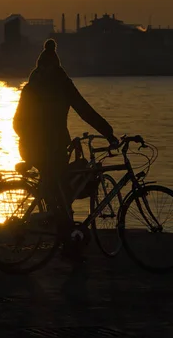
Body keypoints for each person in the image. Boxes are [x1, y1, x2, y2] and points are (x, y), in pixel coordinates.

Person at [13, 39, 117, 258]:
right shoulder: (62, 84)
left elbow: (16, 122)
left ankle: (65, 237)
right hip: (53, 149)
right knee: (63, 192)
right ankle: (67, 240)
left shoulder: (31, 86)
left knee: (57, 193)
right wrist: (107, 131)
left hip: (33, 149)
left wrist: (29, 141)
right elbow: (84, 110)